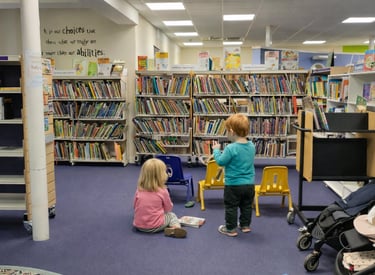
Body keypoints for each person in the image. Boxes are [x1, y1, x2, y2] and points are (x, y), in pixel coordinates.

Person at [212, 113, 256, 237]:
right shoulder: (252, 146)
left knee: (231, 207)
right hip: (249, 184)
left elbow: (221, 161)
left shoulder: (230, 148)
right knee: (247, 206)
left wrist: (216, 150)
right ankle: (245, 225)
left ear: (231, 131)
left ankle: (230, 228)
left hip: (233, 185)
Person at [133, 158, 187, 238]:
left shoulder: (139, 189)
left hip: (139, 225)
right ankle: (175, 228)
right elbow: (168, 208)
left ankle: (143, 220)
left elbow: (135, 206)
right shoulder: (162, 191)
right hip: (155, 226)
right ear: (161, 175)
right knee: (171, 215)